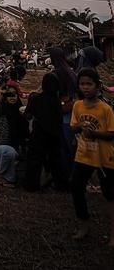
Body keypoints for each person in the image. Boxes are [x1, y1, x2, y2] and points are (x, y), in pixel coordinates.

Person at [69, 68, 114, 245]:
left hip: (105, 157)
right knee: (76, 187)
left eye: (89, 84)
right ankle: (84, 224)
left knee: (110, 194)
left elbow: (112, 133)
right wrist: (80, 126)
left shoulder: (105, 109)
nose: (85, 87)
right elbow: (72, 127)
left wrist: (95, 133)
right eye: (82, 84)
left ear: (97, 86)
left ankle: (112, 234)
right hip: (84, 155)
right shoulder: (78, 105)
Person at [23, 72, 66, 192]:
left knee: (34, 159)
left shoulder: (36, 98)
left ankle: (31, 185)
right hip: (54, 133)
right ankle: (61, 185)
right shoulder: (56, 101)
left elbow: (28, 114)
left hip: (39, 133)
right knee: (56, 159)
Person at [0, 86, 28, 185]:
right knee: (8, 152)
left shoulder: (21, 113)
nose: (12, 98)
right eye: (9, 95)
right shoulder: (1, 114)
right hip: (1, 146)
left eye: (14, 95)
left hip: (19, 146)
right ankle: (7, 177)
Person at [49, 45, 78, 178]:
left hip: (60, 112)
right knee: (72, 145)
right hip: (72, 110)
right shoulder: (71, 72)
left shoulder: (55, 74)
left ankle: (66, 174)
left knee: (63, 147)